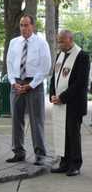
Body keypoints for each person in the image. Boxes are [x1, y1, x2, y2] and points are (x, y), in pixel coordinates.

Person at [6, 14, 51, 165]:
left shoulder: (41, 43)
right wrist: (13, 82)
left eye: (26, 25)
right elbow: (9, 64)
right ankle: (18, 152)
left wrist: (30, 85)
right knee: (16, 120)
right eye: (21, 25)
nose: (24, 28)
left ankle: (40, 154)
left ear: (33, 26)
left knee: (36, 120)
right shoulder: (14, 43)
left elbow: (45, 67)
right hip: (17, 84)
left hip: (34, 85)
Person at [49, 30, 90, 176]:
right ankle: (64, 162)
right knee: (62, 133)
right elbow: (54, 77)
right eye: (58, 41)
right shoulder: (60, 55)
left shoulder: (82, 56)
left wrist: (63, 97)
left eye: (61, 41)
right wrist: (53, 94)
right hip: (60, 103)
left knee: (73, 135)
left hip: (74, 104)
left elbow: (80, 83)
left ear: (70, 39)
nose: (59, 44)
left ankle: (75, 164)